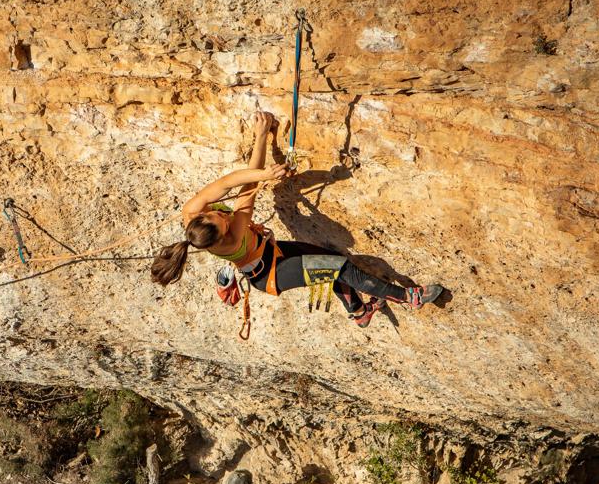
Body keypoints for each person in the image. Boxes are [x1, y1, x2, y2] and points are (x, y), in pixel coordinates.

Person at [150, 111, 443, 327]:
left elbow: (230, 181)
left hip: (271, 254)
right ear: (223, 233)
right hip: (270, 274)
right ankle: (408, 296)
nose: (218, 213)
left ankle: (358, 311)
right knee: (337, 267)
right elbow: (247, 189)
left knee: (328, 259)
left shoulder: (193, 210)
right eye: (223, 220)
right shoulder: (232, 238)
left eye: (216, 213)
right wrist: (262, 150)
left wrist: (264, 154)